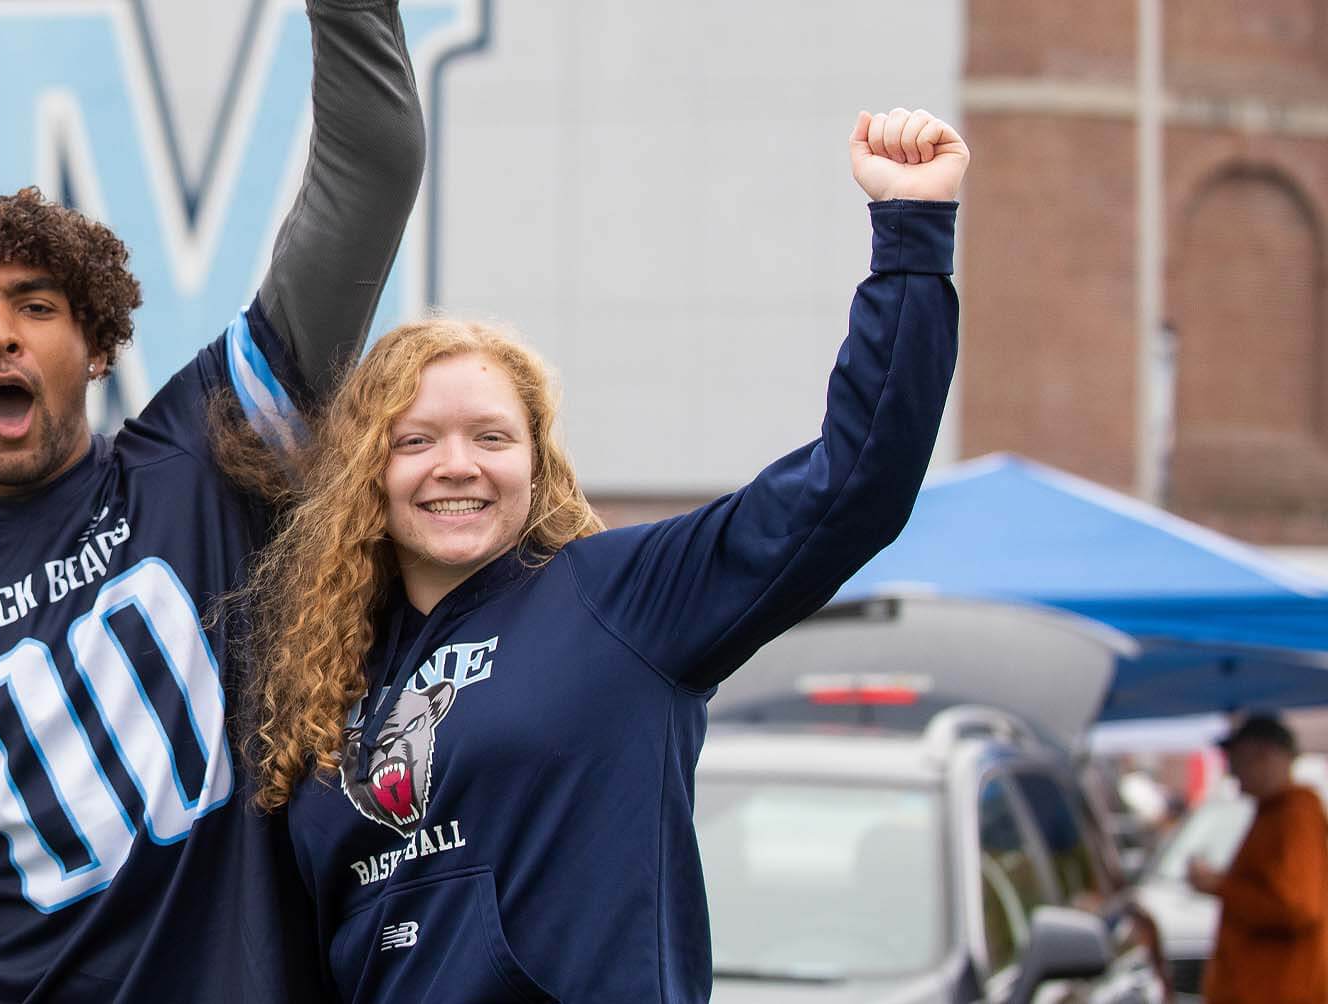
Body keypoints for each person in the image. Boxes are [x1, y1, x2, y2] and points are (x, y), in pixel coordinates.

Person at [0, 2, 426, 1000]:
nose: (0, 334)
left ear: (96, 346)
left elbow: (372, 172)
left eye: (38, 306)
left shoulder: (201, 453)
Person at [238, 109, 968, 1002]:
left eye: (491, 437)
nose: (456, 465)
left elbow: (852, 486)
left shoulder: (624, 604)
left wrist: (912, 237)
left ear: (536, 465)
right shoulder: (324, 681)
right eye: (415, 440)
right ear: (366, 473)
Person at [1189, 712, 1328, 1003]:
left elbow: (1296, 908)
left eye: (1237, 758)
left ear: (1266, 755)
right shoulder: (1273, 813)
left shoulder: (1294, 816)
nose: (1233, 770)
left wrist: (1220, 886)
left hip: (1281, 990)